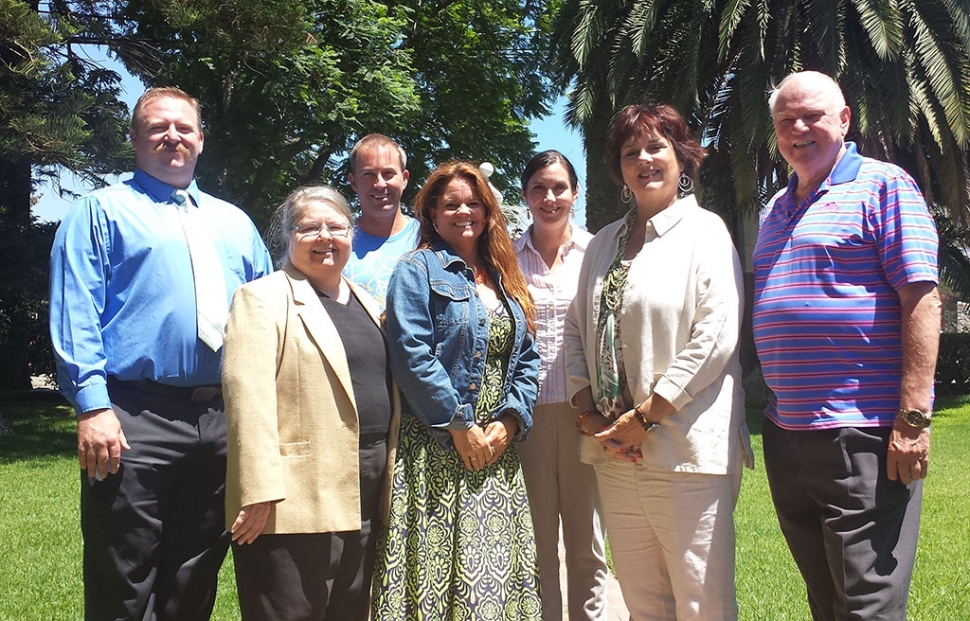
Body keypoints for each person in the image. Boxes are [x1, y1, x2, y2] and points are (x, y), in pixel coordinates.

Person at [48, 86, 273, 620]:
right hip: (132, 417)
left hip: (221, 420)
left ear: (200, 139)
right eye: (157, 127)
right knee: (124, 571)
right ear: (135, 139)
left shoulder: (235, 223)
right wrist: (92, 405)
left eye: (183, 127)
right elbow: (74, 307)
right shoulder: (100, 212)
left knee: (195, 574)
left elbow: (269, 314)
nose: (172, 137)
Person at [752, 71, 941, 621]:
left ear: (844, 119)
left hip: (864, 432)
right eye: (786, 120)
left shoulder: (884, 186)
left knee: (868, 604)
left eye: (811, 115)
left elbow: (922, 299)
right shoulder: (773, 209)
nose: (799, 128)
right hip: (787, 434)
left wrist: (912, 418)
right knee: (826, 601)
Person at [563, 104, 753, 621]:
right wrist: (593, 418)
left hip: (685, 450)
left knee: (702, 602)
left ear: (682, 157)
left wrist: (645, 416)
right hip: (614, 453)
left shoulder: (706, 232)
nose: (644, 160)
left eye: (656, 147)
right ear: (620, 169)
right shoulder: (602, 243)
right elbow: (576, 331)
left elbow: (714, 337)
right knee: (645, 603)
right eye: (631, 153)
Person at [372, 160, 543, 619]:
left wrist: (508, 423)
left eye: (473, 203)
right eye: (451, 204)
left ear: (488, 211)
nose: (463, 211)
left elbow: (527, 357)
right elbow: (410, 353)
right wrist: (460, 426)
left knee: (494, 579)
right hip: (438, 446)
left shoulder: (504, 275)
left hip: (495, 451)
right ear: (430, 212)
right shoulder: (417, 270)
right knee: (435, 582)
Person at [222, 185, 400, 620]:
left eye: (336, 226)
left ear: (352, 235)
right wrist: (257, 491)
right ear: (287, 236)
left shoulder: (368, 301)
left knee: (351, 611)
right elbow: (248, 398)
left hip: (366, 488)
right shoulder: (262, 298)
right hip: (293, 499)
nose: (325, 237)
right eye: (309, 228)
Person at [514, 150, 609, 621]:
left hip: (583, 413)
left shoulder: (598, 253)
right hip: (524, 418)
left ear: (575, 193)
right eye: (538, 188)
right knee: (535, 541)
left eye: (559, 188)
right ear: (526, 194)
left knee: (586, 539)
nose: (549, 198)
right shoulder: (503, 257)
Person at [343, 133, 420, 307]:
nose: (379, 184)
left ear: (405, 179)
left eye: (388, 173)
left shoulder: (429, 239)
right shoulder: (337, 243)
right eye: (368, 174)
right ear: (353, 182)